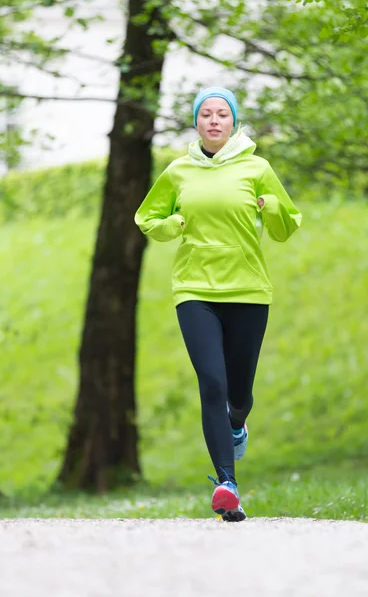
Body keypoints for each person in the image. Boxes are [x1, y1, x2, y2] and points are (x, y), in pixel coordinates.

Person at [134, 86, 302, 522]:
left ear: (233, 122)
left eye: (221, 114)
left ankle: (237, 422)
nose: (213, 120)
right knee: (212, 381)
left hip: (248, 291)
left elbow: (287, 226)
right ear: (196, 123)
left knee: (239, 393)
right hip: (194, 290)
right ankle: (227, 484)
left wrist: (271, 209)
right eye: (205, 114)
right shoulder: (178, 172)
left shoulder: (258, 168)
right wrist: (172, 225)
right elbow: (147, 217)